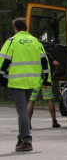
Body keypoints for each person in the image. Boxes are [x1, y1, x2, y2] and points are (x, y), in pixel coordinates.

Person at [0, 18, 52, 152]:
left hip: (17, 81)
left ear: (15, 29)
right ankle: (21, 138)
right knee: (24, 109)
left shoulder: (12, 41)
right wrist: (47, 80)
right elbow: (45, 61)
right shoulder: (36, 41)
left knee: (22, 110)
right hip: (32, 81)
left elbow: (4, 61)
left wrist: (1, 77)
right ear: (26, 27)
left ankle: (26, 140)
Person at [27, 53, 61, 128]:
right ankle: (54, 121)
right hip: (46, 81)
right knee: (49, 100)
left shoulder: (31, 54)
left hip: (34, 81)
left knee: (31, 101)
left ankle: (28, 123)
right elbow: (56, 63)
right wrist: (58, 69)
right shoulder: (45, 55)